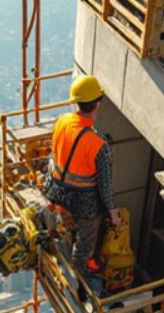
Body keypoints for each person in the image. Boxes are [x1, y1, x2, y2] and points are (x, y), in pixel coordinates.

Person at [42, 74, 121, 279]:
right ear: (98, 103)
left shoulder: (62, 121)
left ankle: (56, 234)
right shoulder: (99, 146)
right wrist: (113, 214)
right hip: (82, 201)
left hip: (54, 189)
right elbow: (105, 188)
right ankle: (77, 273)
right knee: (86, 240)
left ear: (76, 101)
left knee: (64, 222)